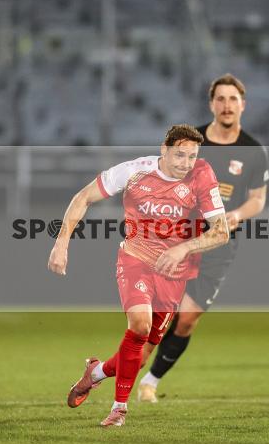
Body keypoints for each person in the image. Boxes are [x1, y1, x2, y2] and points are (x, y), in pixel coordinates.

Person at [48, 124, 230, 427]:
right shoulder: (134, 171)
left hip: (175, 273)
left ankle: (94, 374)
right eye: (179, 155)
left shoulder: (202, 174)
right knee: (140, 324)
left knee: (139, 357)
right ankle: (119, 410)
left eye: (192, 156)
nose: (186, 163)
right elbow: (83, 197)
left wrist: (182, 249)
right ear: (164, 150)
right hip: (135, 259)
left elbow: (221, 232)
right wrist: (61, 243)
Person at [137, 73, 269, 403]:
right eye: (220, 99)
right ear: (212, 104)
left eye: (233, 99)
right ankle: (119, 379)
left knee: (186, 321)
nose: (227, 105)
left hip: (219, 244)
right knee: (158, 319)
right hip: (178, 239)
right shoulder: (192, 144)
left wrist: (236, 215)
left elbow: (258, 199)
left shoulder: (253, 151)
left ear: (243, 105)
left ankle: (150, 382)